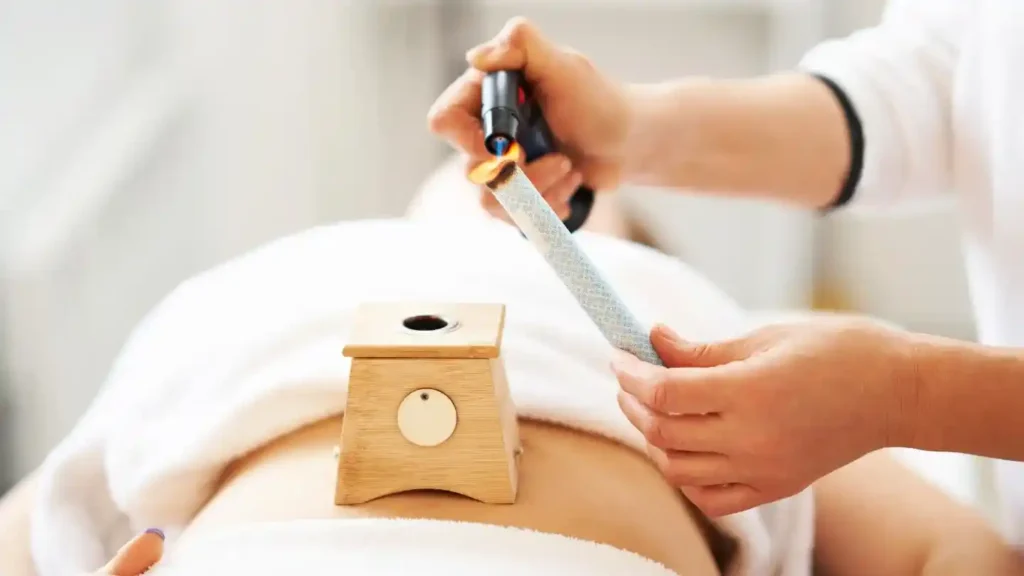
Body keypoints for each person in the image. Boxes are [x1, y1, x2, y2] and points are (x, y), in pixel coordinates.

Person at [1, 169, 1021, 575]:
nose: (536, 203)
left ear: (627, 245)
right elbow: (951, 552)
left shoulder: (710, 351)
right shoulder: (252, 298)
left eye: (581, 204)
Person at [426, 2, 1024, 530]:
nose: (486, 237)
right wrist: (628, 126)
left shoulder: (678, 323)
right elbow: (932, 83)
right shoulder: (356, 289)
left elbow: (950, 551)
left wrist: (911, 396)